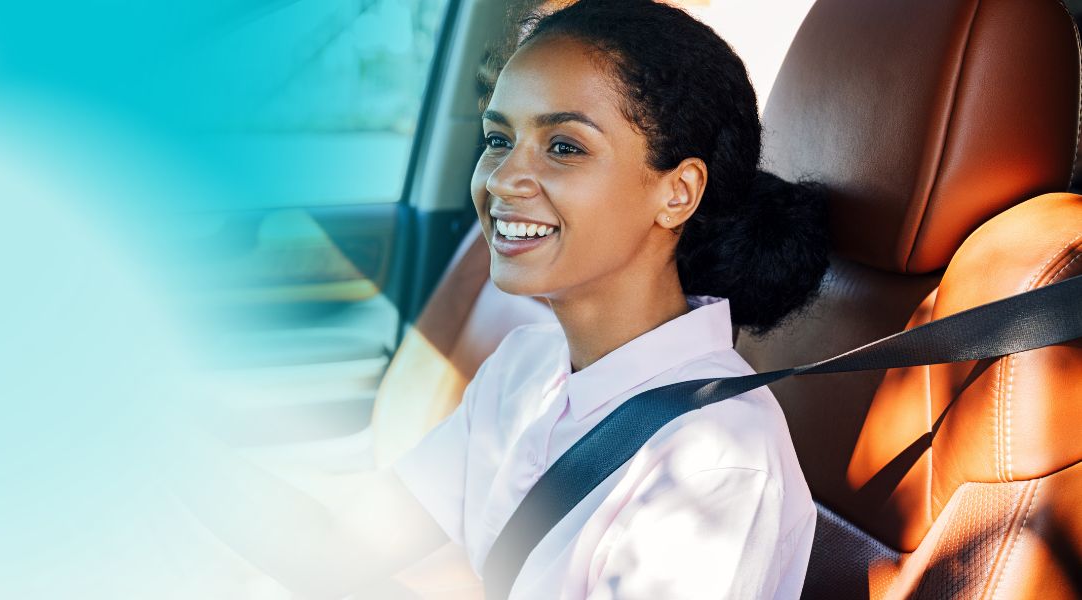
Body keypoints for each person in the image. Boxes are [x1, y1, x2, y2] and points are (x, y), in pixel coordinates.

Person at [172, 1, 829, 598]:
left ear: (677, 193)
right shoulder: (525, 369)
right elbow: (339, 548)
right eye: (497, 139)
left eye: (564, 146)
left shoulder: (714, 457)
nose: (503, 178)